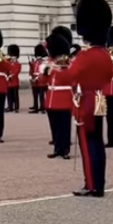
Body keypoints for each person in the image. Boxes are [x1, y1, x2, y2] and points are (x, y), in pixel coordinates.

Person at [62, 0, 113, 198]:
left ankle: (91, 185)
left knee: (87, 142)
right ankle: (99, 183)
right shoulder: (105, 54)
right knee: (98, 141)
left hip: (87, 100)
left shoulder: (86, 56)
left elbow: (70, 76)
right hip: (100, 98)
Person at [44, 31, 73, 159]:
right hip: (51, 97)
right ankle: (57, 148)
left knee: (64, 126)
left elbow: (71, 78)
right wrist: (45, 72)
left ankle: (65, 149)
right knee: (55, 126)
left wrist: (59, 69)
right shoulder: (50, 61)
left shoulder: (67, 63)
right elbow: (44, 80)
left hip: (64, 97)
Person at [29, 43, 48, 113]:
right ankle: (36, 108)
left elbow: (42, 73)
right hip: (35, 82)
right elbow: (32, 71)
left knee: (41, 96)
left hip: (41, 82)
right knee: (35, 96)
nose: (38, 58)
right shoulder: (35, 63)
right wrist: (31, 77)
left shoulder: (43, 63)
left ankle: (42, 108)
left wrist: (36, 78)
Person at [5, 45, 21, 113]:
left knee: (15, 96)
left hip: (14, 82)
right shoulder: (8, 63)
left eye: (13, 56)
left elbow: (17, 72)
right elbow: (6, 69)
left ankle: (16, 107)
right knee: (9, 96)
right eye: (11, 56)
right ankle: (10, 106)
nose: (12, 57)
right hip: (9, 82)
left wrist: (11, 76)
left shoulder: (18, 64)